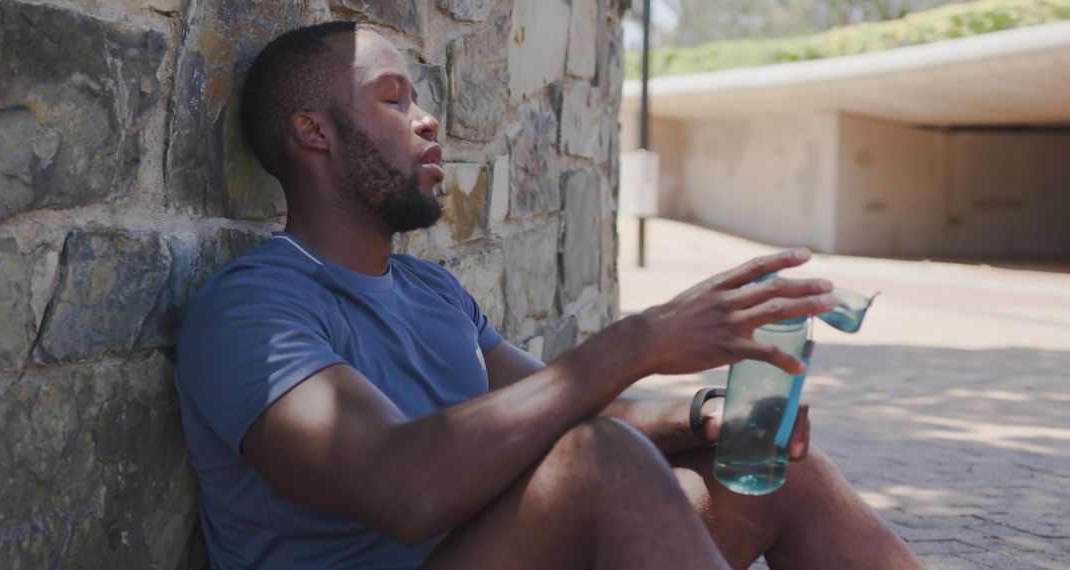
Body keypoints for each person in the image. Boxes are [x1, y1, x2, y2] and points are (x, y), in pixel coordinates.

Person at [174, 20, 921, 570]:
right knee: (599, 463)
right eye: (394, 101)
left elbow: (561, 403)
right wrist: (639, 341)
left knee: (769, 472)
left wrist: (705, 416)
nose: (429, 120)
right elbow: (404, 488)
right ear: (314, 133)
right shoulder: (252, 311)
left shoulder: (431, 291)